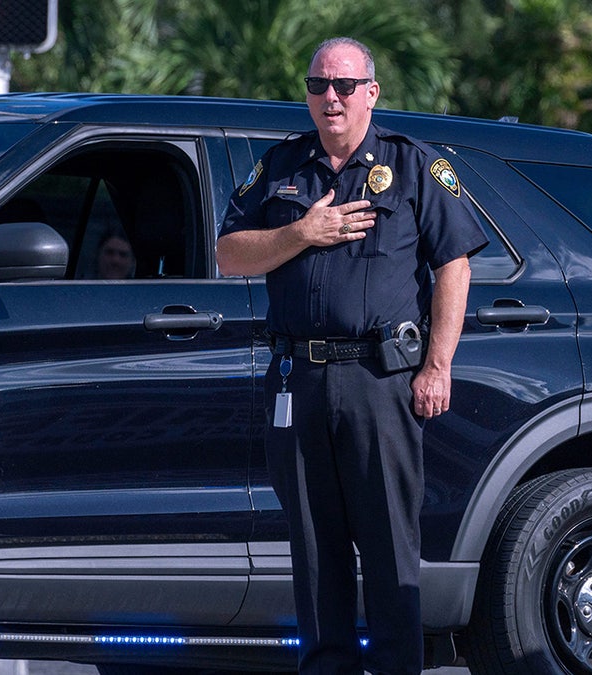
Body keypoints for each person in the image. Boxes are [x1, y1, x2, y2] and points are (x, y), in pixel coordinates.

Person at [216, 37, 488, 675]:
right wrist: (300, 232)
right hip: (297, 378)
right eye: (317, 86)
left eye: (342, 86)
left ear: (371, 93)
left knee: (391, 542)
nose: (329, 98)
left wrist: (438, 365)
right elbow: (229, 255)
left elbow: (454, 266)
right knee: (314, 547)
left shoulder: (412, 164)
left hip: (378, 380)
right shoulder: (282, 169)